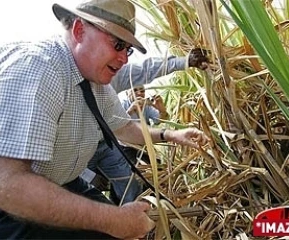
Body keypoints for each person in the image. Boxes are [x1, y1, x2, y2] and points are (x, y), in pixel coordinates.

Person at [0, 0, 209, 239]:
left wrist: (172, 135)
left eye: (127, 50)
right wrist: (113, 220)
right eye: (118, 44)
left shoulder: (97, 85)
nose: (124, 59)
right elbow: (0, 184)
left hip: (61, 184)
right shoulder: (38, 68)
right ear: (79, 30)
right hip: (4, 205)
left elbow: (126, 130)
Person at [86, 51, 209, 205]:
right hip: (89, 150)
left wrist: (185, 62)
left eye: (127, 49)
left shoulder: (112, 79)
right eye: (135, 90)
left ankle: (133, 217)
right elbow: (122, 128)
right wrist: (87, 176)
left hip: (112, 145)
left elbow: (145, 70)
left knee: (131, 182)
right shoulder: (120, 104)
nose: (122, 57)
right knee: (84, 192)